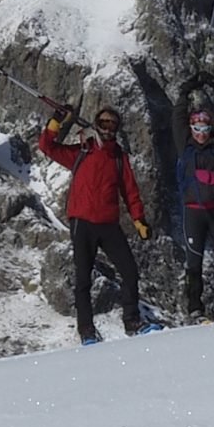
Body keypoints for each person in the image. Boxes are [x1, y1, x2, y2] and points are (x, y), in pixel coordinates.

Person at [38, 103, 150, 340]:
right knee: (83, 279)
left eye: (113, 124)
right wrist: (56, 121)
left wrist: (138, 219)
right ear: (97, 125)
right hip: (82, 223)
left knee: (129, 271)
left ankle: (132, 321)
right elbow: (47, 146)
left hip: (109, 224)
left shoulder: (119, 157)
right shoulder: (82, 151)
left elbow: (130, 191)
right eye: (104, 123)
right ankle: (87, 330)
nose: (108, 128)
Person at [173, 102, 214, 321]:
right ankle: (195, 308)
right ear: (191, 130)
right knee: (194, 262)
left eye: (205, 129)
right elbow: (177, 120)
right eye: (197, 129)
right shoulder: (185, 147)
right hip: (193, 213)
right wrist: (185, 92)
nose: (201, 134)